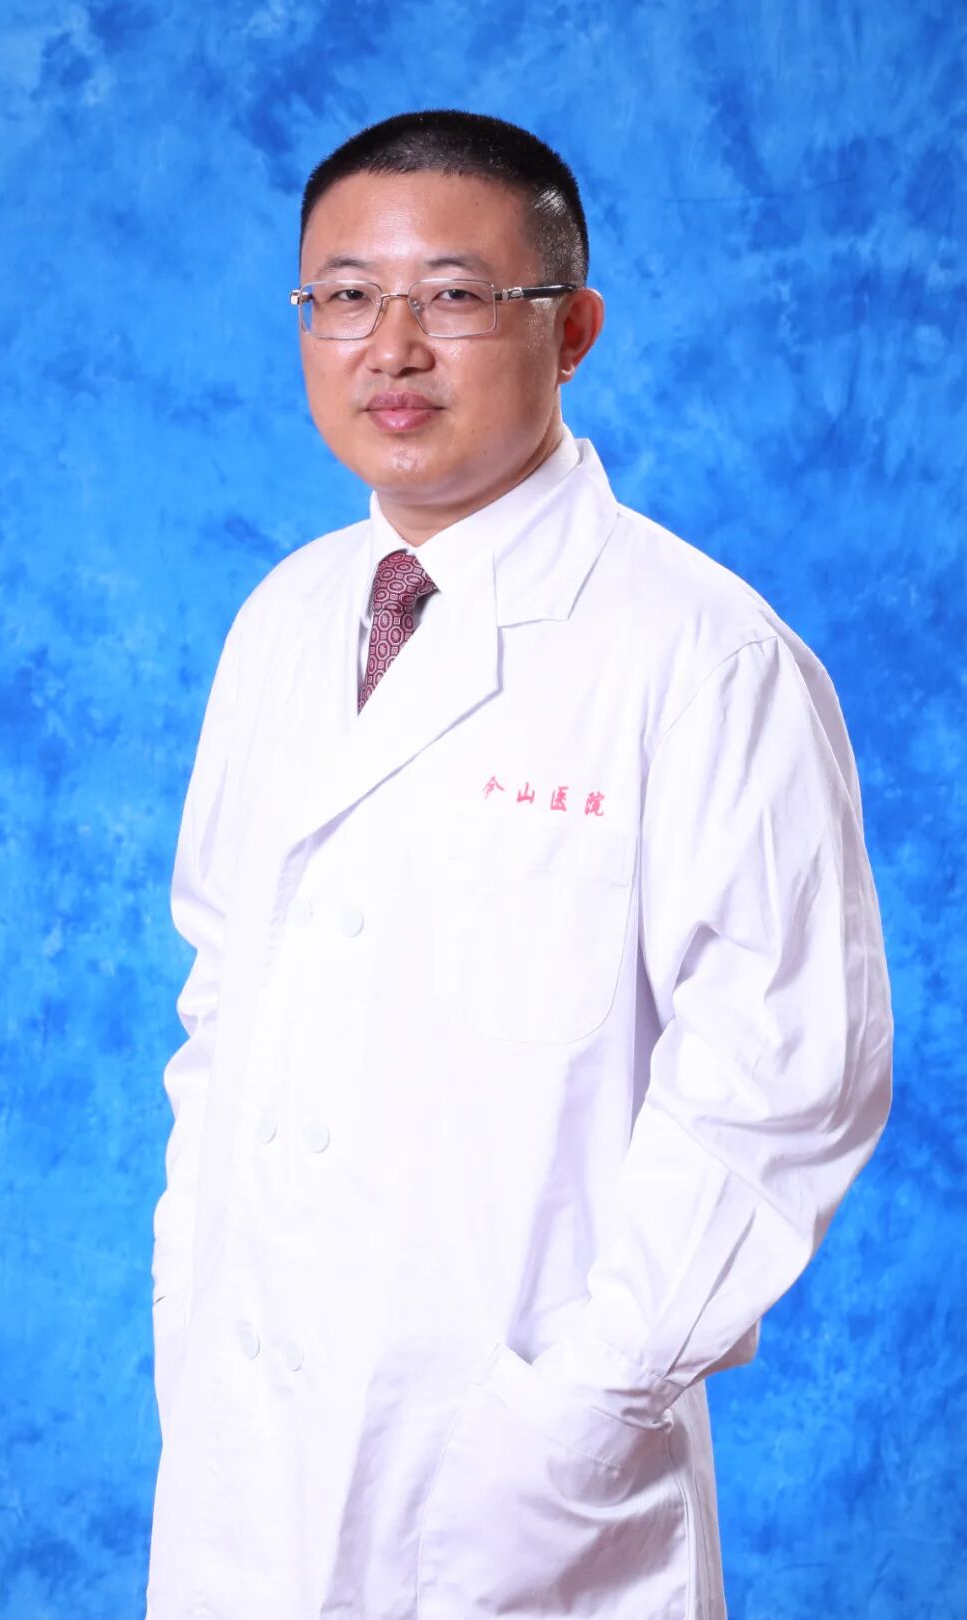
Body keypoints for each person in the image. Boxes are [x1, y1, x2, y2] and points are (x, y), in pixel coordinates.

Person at [145, 109, 893, 1620]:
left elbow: (784, 1083)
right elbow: (224, 995)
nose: (393, 346)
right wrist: (187, 1289)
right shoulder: (283, 620)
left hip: (524, 1489)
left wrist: (582, 1414)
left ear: (573, 330)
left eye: (455, 295)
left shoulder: (704, 654)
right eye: (345, 296)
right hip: (249, 1455)